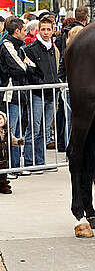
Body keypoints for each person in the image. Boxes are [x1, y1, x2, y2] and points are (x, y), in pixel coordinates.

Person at [24, 15, 60, 172]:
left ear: (53, 31)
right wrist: (41, 83)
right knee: (34, 128)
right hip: (38, 94)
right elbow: (31, 72)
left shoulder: (53, 49)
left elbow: (55, 70)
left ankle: (41, 161)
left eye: (48, 29)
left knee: (45, 130)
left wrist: (56, 85)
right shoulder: (31, 50)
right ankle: (30, 161)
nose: (46, 32)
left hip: (52, 94)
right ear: (38, 30)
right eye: (43, 29)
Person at [0, 17, 31, 175]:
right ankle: (8, 167)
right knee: (9, 132)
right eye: (24, 30)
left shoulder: (20, 47)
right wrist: (27, 67)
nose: (26, 33)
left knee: (18, 131)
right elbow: (20, 68)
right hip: (10, 94)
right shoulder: (7, 46)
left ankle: (17, 166)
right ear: (17, 31)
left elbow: (31, 66)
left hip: (20, 93)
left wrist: (27, 67)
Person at [0, 111, 24, 193]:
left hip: (4, 156)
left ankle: (3, 184)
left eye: (1, 119)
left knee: (3, 173)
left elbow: (12, 139)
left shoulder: (7, 131)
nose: (0, 121)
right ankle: (3, 186)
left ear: (5, 120)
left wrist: (18, 142)